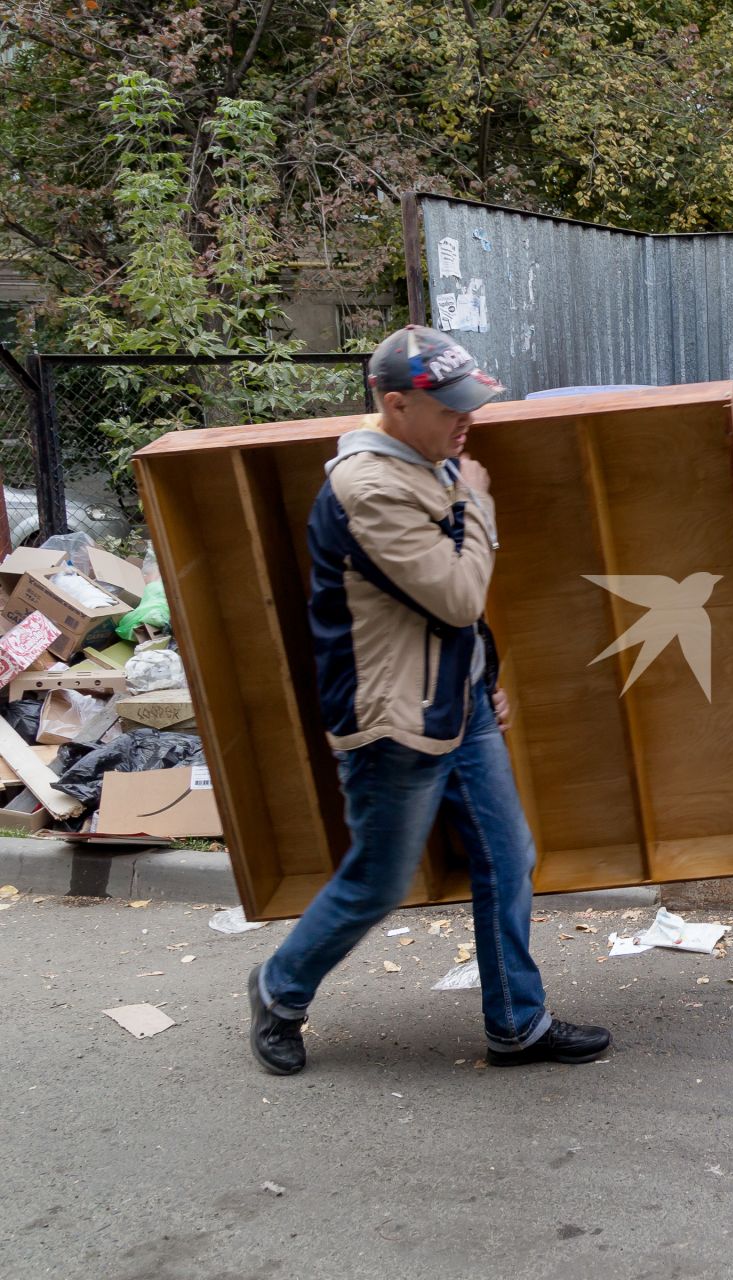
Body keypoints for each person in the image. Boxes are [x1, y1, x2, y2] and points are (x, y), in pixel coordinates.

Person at [247, 324, 610, 1075]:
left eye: (468, 403)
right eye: (448, 407)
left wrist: (482, 679)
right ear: (393, 405)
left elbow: (451, 618)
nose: (464, 418)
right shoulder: (369, 486)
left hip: (455, 706)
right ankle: (279, 991)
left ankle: (516, 1023)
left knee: (508, 859)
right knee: (378, 882)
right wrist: (478, 504)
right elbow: (454, 592)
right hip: (394, 723)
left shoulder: (428, 460)